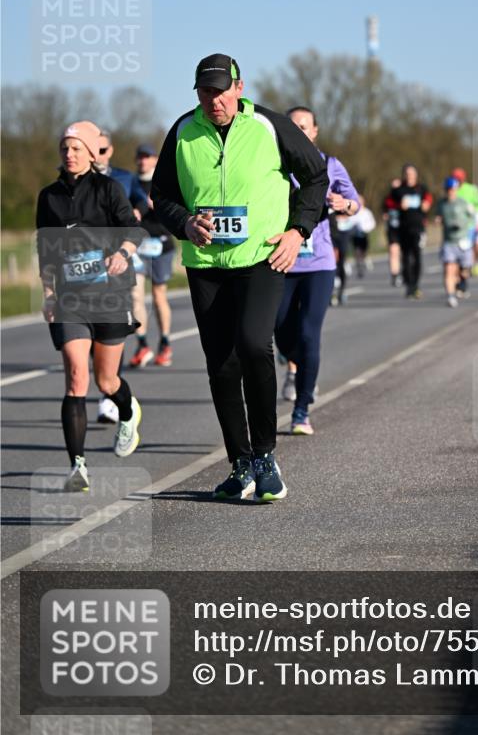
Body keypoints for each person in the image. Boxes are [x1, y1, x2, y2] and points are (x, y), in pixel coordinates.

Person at [151, 54, 328, 502]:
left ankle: (266, 457)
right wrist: (185, 223)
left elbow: (315, 176)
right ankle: (240, 463)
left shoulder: (269, 126)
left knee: (253, 344)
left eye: (220, 90)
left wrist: (298, 231)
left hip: (262, 256)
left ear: (239, 87)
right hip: (206, 264)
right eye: (205, 92)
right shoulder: (183, 131)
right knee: (221, 364)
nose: (214, 100)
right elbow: (162, 194)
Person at [36, 121, 144, 491]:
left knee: (106, 379)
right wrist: (49, 294)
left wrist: (124, 254)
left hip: (110, 295)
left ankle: (127, 412)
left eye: (77, 148)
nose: (70, 154)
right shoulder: (48, 197)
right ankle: (77, 467)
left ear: (91, 152)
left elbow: (134, 229)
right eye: (65, 148)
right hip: (70, 299)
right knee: (76, 380)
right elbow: (45, 250)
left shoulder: (108, 189)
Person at [274, 106, 359, 434]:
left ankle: (302, 409)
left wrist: (344, 205)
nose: (299, 130)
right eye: (292, 126)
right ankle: (300, 367)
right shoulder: (275, 165)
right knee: (280, 331)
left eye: (304, 126)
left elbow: (354, 203)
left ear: (314, 131)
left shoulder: (330, 165)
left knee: (309, 333)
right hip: (281, 259)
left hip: (319, 263)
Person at [95, 129, 149, 422]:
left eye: (103, 150)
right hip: (86, 266)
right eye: (94, 149)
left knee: (128, 304)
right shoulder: (75, 180)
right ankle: (108, 387)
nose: (97, 156)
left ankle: (109, 391)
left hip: (121, 255)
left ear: (110, 151)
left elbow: (142, 199)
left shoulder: (124, 178)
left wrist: (136, 212)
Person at [130, 142, 176, 368]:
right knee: (135, 294)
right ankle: (142, 344)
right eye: (140, 157)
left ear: (156, 159)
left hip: (161, 244)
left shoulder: (164, 180)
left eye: (148, 157)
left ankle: (165, 342)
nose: (143, 161)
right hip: (137, 245)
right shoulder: (130, 183)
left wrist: (158, 204)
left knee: (159, 296)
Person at [388, 164, 432, 298]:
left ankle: (416, 285)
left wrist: (427, 204)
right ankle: (408, 285)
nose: (410, 176)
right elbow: (388, 203)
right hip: (403, 228)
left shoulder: (422, 188)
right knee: (406, 257)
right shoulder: (399, 189)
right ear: (404, 175)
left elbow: (429, 199)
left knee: (417, 256)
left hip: (418, 227)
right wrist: (398, 205)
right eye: (407, 174)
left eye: (412, 174)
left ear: (416, 175)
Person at [435, 176, 475, 307]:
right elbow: (438, 216)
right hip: (449, 242)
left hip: (462, 241)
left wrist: (466, 227)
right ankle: (451, 296)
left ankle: (461, 281)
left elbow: (473, 217)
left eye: (453, 189)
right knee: (449, 269)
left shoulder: (463, 203)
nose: (451, 192)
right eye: (448, 189)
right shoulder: (441, 204)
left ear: (457, 189)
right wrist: (438, 220)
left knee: (464, 270)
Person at [451, 169, 478, 277]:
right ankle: (468, 266)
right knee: (466, 246)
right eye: (456, 178)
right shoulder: (453, 190)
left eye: (460, 178)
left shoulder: (472, 189)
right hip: (464, 225)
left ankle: (477, 261)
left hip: (476, 220)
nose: (458, 181)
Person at [382, 178, 402, 286]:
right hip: (392, 229)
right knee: (393, 251)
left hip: (405, 229)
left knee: (403, 252)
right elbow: (384, 214)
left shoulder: (405, 198)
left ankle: (405, 272)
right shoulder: (388, 199)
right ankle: (395, 275)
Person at [351, 195, 376, 277]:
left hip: (364, 235)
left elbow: (372, 223)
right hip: (355, 235)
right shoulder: (353, 212)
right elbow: (350, 222)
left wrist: (366, 228)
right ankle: (359, 268)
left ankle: (365, 260)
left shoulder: (367, 212)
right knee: (357, 252)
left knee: (363, 251)